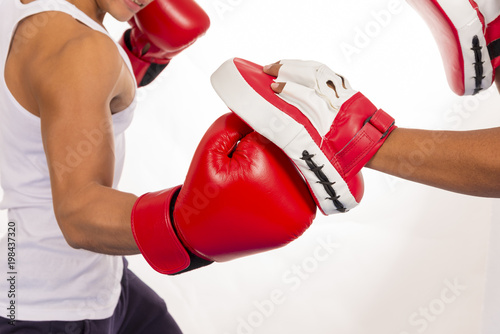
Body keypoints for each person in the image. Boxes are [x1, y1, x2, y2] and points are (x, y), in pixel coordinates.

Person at [0, 0, 317, 332]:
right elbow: (79, 215)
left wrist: (135, 58)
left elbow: (60, 102)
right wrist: (187, 223)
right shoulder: (81, 50)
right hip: (53, 309)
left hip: (79, 279)